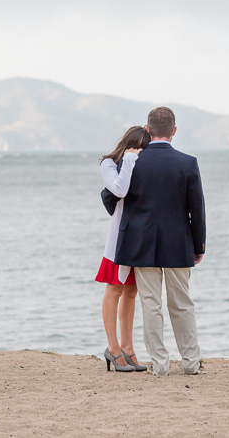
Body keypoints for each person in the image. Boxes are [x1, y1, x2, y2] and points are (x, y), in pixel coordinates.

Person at [113, 106, 207, 376]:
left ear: (147, 130)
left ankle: (160, 365)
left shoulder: (132, 161)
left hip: (142, 242)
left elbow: (115, 196)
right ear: (174, 131)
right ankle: (190, 363)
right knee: (182, 304)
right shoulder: (188, 163)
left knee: (150, 305)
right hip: (179, 243)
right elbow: (197, 210)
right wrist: (198, 246)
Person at [97, 126, 150, 372]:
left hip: (139, 237)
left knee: (131, 292)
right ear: (128, 145)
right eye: (137, 148)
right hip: (118, 238)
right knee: (114, 289)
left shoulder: (143, 164)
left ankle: (128, 348)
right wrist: (129, 160)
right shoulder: (110, 164)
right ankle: (113, 348)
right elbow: (119, 189)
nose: (141, 153)